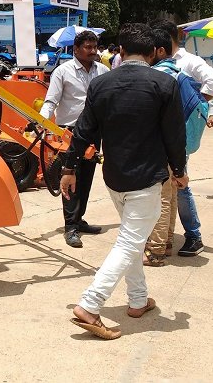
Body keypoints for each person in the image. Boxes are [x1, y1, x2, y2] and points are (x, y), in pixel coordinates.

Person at [64, 23, 188, 340]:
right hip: (146, 179)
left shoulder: (101, 84)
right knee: (130, 243)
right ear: (153, 54)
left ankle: (137, 300)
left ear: (120, 51)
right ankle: (90, 306)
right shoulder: (164, 83)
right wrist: (179, 169)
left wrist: (69, 168)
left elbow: (83, 131)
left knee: (131, 241)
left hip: (114, 178)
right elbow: (174, 135)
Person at [39, 31, 109, 247]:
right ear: (76, 49)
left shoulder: (103, 71)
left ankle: (79, 220)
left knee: (86, 177)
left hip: (94, 132)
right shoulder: (63, 71)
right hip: (69, 132)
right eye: (87, 47)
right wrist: (41, 122)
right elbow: (51, 101)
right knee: (70, 177)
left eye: (94, 47)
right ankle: (70, 227)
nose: (92, 51)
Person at [150, 19, 213, 256]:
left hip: (178, 133)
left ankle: (194, 235)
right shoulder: (164, 62)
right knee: (172, 184)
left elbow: (212, 81)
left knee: (180, 181)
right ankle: (166, 237)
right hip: (165, 133)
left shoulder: (189, 62)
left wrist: (193, 104)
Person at [142, 29, 186, 266]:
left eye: (148, 53)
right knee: (170, 194)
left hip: (160, 144)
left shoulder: (159, 76)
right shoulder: (178, 71)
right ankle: (167, 241)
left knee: (160, 197)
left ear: (158, 51)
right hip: (176, 143)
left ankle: (157, 250)